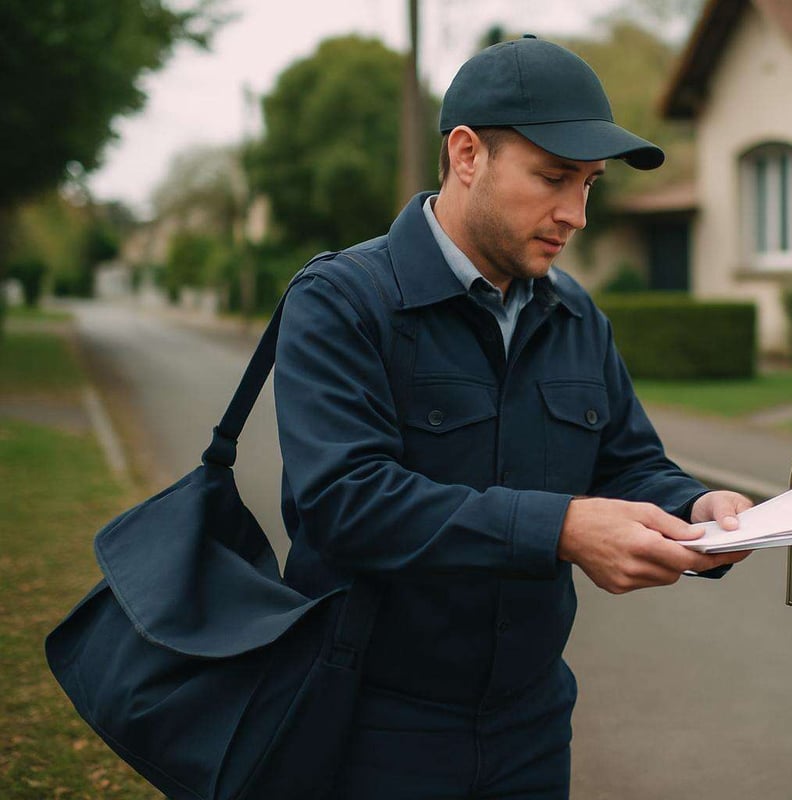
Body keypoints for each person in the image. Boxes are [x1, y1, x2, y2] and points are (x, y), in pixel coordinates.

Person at [274, 35, 753, 799]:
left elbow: (627, 462)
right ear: (467, 154)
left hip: (533, 728)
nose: (577, 214)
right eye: (555, 177)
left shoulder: (576, 316)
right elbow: (344, 503)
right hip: (372, 724)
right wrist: (561, 528)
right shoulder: (342, 301)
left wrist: (697, 508)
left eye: (589, 184)